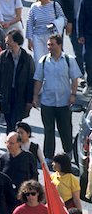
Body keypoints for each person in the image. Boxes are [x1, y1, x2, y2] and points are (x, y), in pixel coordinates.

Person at [33, 34, 81, 162]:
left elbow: (74, 79)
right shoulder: (43, 61)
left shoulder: (68, 60)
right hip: (47, 102)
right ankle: (48, 156)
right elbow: (38, 80)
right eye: (48, 45)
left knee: (65, 128)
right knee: (48, 130)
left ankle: (68, 152)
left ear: (59, 45)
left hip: (64, 102)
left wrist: (73, 94)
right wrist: (35, 96)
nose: (50, 47)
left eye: (52, 44)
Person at [0, 29, 35, 133]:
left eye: (9, 41)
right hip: (6, 94)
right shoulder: (2, 57)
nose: (7, 43)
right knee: (9, 122)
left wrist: (29, 100)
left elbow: (31, 80)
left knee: (16, 122)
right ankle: (11, 142)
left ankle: (15, 143)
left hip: (20, 95)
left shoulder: (27, 58)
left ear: (16, 41)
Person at [26, 0, 66, 65]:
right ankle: (39, 77)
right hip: (37, 36)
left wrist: (55, 23)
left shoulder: (55, 5)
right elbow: (29, 23)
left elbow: (63, 18)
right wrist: (29, 39)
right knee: (38, 60)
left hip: (51, 36)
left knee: (51, 59)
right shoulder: (34, 7)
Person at [70, 0, 87, 77]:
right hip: (73, 25)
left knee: (85, 52)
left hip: (84, 26)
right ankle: (81, 74)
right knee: (77, 51)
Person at [78, 0, 92, 97]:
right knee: (88, 60)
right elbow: (81, 18)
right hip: (88, 36)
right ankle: (89, 83)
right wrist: (80, 35)